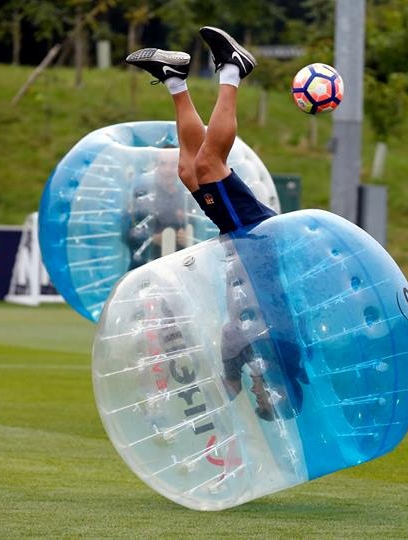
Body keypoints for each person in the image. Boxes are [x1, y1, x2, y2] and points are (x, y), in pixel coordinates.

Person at [126, 27, 304, 422]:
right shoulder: (282, 350)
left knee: (190, 172)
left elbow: (227, 376)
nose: (258, 393)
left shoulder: (249, 359)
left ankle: (174, 77)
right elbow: (258, 342)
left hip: (240, 242)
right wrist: (237, 376)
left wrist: (218, 391)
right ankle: (233, 70)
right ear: (279, 389)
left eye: (257, 399)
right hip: (254, 241)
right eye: (265, 397)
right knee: (209, 166)